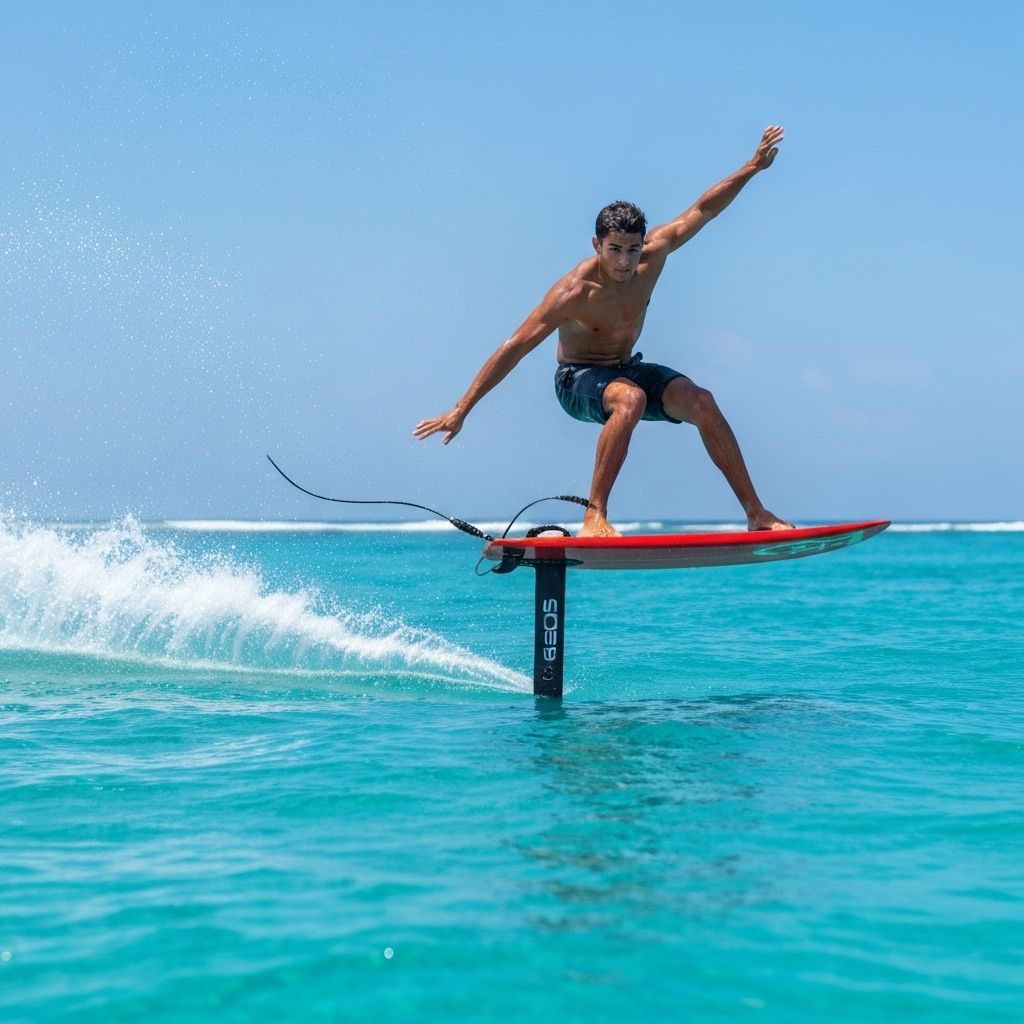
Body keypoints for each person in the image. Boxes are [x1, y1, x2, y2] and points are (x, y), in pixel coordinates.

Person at [414, 126, 794, 537]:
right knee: (628, 399)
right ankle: (595, 515)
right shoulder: (573, 293)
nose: (625, 262)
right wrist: (461, 410)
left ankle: (757, 514)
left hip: (625, 367)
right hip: (576, 380)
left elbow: (703, 210)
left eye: (633, 250)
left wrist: (752, 168)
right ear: (597, 244)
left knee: (701, 400)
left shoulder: (654, 255)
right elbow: (514, 348)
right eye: (615, 249)